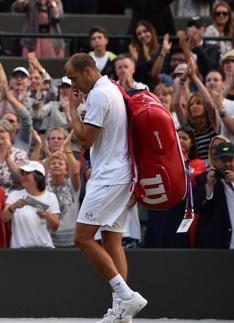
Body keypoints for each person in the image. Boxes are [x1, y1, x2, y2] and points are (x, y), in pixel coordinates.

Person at [64, 53, 148, 322]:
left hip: (109, 177)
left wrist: (70, 111)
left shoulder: (100, 95)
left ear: (89, 71)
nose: (73, 85)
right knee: (112, 240)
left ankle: (126, 295)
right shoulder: (110, 89)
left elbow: (85, 139)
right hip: (121, 175)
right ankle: (122, 311)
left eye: (75, 78)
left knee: (82, 238)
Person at [1, 160, 60, 248]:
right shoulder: (14, 195)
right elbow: (4, 218)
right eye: (22, 174)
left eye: (27, 173)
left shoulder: (51, 197)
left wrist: (48, 216)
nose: (23, 176)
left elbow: (55, 226)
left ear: (38, 177)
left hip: (45, 249)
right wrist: (14, 206)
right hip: (19, 250)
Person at [47, 150, 81, 248]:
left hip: (72, 241)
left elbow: (75, 171)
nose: (56, 165)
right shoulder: (44, 187)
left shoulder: (72, 185)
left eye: (60, 163)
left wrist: (68, 150)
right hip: (51, 241)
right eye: (53, 163)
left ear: (66, 170)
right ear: (49, 169)